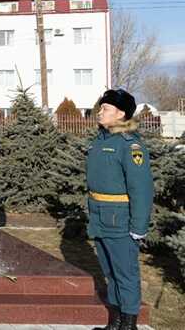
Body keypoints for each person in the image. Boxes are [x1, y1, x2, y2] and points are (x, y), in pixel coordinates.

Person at [88, 89, 153, 330]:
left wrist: (139, 227)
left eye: (105, 108)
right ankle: (114, 323)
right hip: (99, 216)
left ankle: (129, 324)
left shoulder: (130, 145)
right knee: (110, 272)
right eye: (101, 107)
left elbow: (142, 189)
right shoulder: (100, 141)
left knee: (125, 274)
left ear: (121, 113)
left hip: (120, 220)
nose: (100, 112)